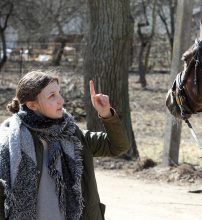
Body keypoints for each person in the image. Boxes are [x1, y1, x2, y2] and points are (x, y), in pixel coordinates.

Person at [0, 70, 129, 220]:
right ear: (32, 105)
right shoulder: (10, 143)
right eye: (52, 96)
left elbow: (118, 146)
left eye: (59, 93)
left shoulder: (72, 134)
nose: (61, 100)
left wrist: (106, 114)